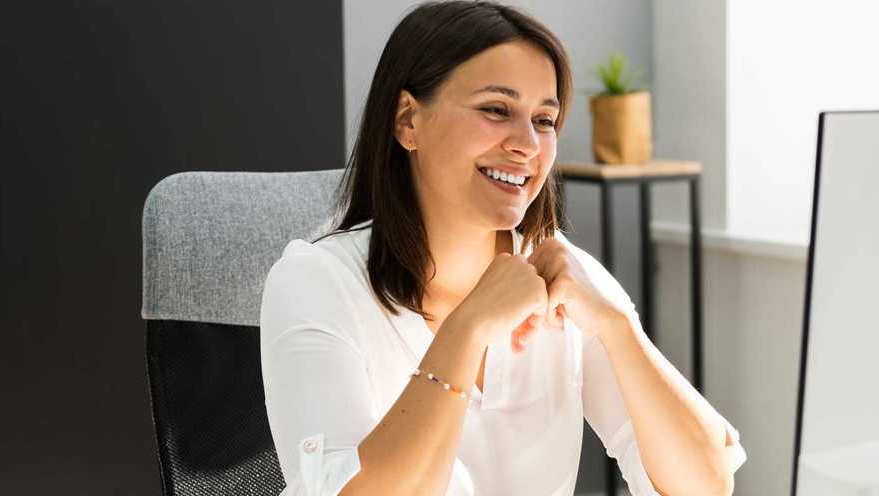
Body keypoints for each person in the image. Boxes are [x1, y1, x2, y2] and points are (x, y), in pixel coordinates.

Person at [258, 2, 743, 494]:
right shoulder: (315, 284)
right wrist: (468, 328)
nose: (528, 144)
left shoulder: (563, 276)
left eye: (545, 120)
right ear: (408, 121)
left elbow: (707, 485)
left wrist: (617, 327)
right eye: (496, 110)